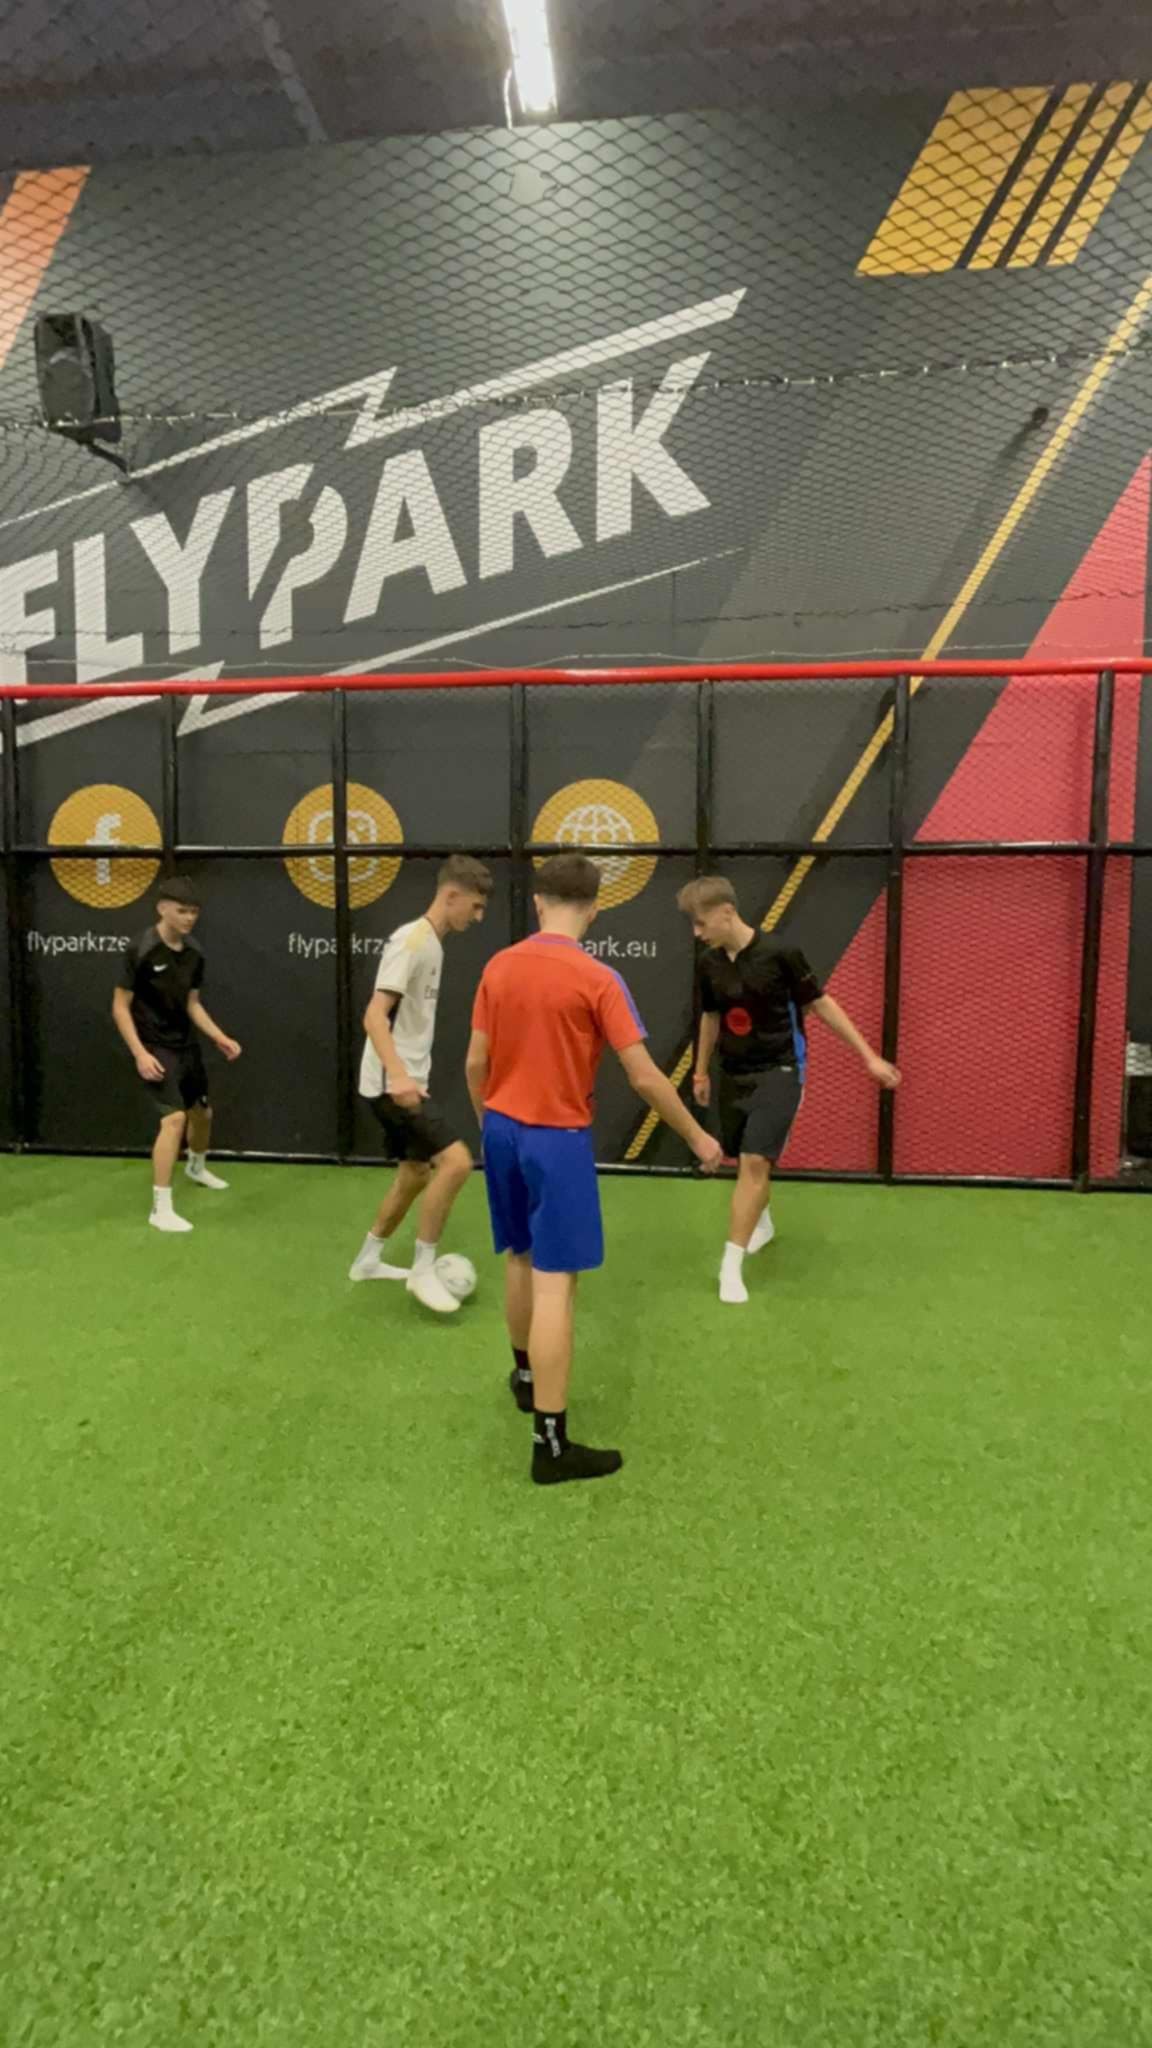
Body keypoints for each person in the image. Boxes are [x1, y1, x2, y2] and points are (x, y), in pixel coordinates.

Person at [465, 853, 723, 1487]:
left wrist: (490, 1124)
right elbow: (644, 1076)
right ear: (596, 909)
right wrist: (698, 1137)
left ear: (537, 902)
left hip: (501, 1129)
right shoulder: (598, 978)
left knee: (520, 1257)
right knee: (556, 1285)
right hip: (556, 1140)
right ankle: (550, 1445)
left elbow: (475, 1063)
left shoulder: (499, 966)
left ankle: (526, 1377)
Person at [678, 876, 901, 1303]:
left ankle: (730, 1266)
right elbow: (710, 1017)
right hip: (733, 1073)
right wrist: (700, 1072)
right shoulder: (708, 964)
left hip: (780, 1070)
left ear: (727, 912)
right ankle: (761, 1223)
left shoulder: (781, 954)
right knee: (746, 1160)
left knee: (754, 1161)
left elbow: (821, 1003)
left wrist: (869, 1057)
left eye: (701, 922)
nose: (697, 932)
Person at [349, 855, 493, 1313]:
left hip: (403, 1079)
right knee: (457, 1162)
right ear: (450, 896)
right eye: (474, 906)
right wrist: (399, 1076)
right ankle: (423, 1271)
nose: (478, 916)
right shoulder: (411, 941)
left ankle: (368, 1260)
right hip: (392, 1085)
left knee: (415, 1173)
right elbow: (374, 1015)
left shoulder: (433, 943)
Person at [112, 876, 242, 1235]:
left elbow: (192, 1003)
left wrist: (219, 1037)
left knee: (202, 1113)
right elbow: (120, 1006)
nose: (189, 918)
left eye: (194, 912)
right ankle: (161, 1208)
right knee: (174, 1120)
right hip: (153, 1046)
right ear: (162, 908)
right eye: (182, 911)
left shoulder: (194, 952)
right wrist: (139, 1053)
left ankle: (196, 1167)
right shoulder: (140, 948)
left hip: (185, 1045)